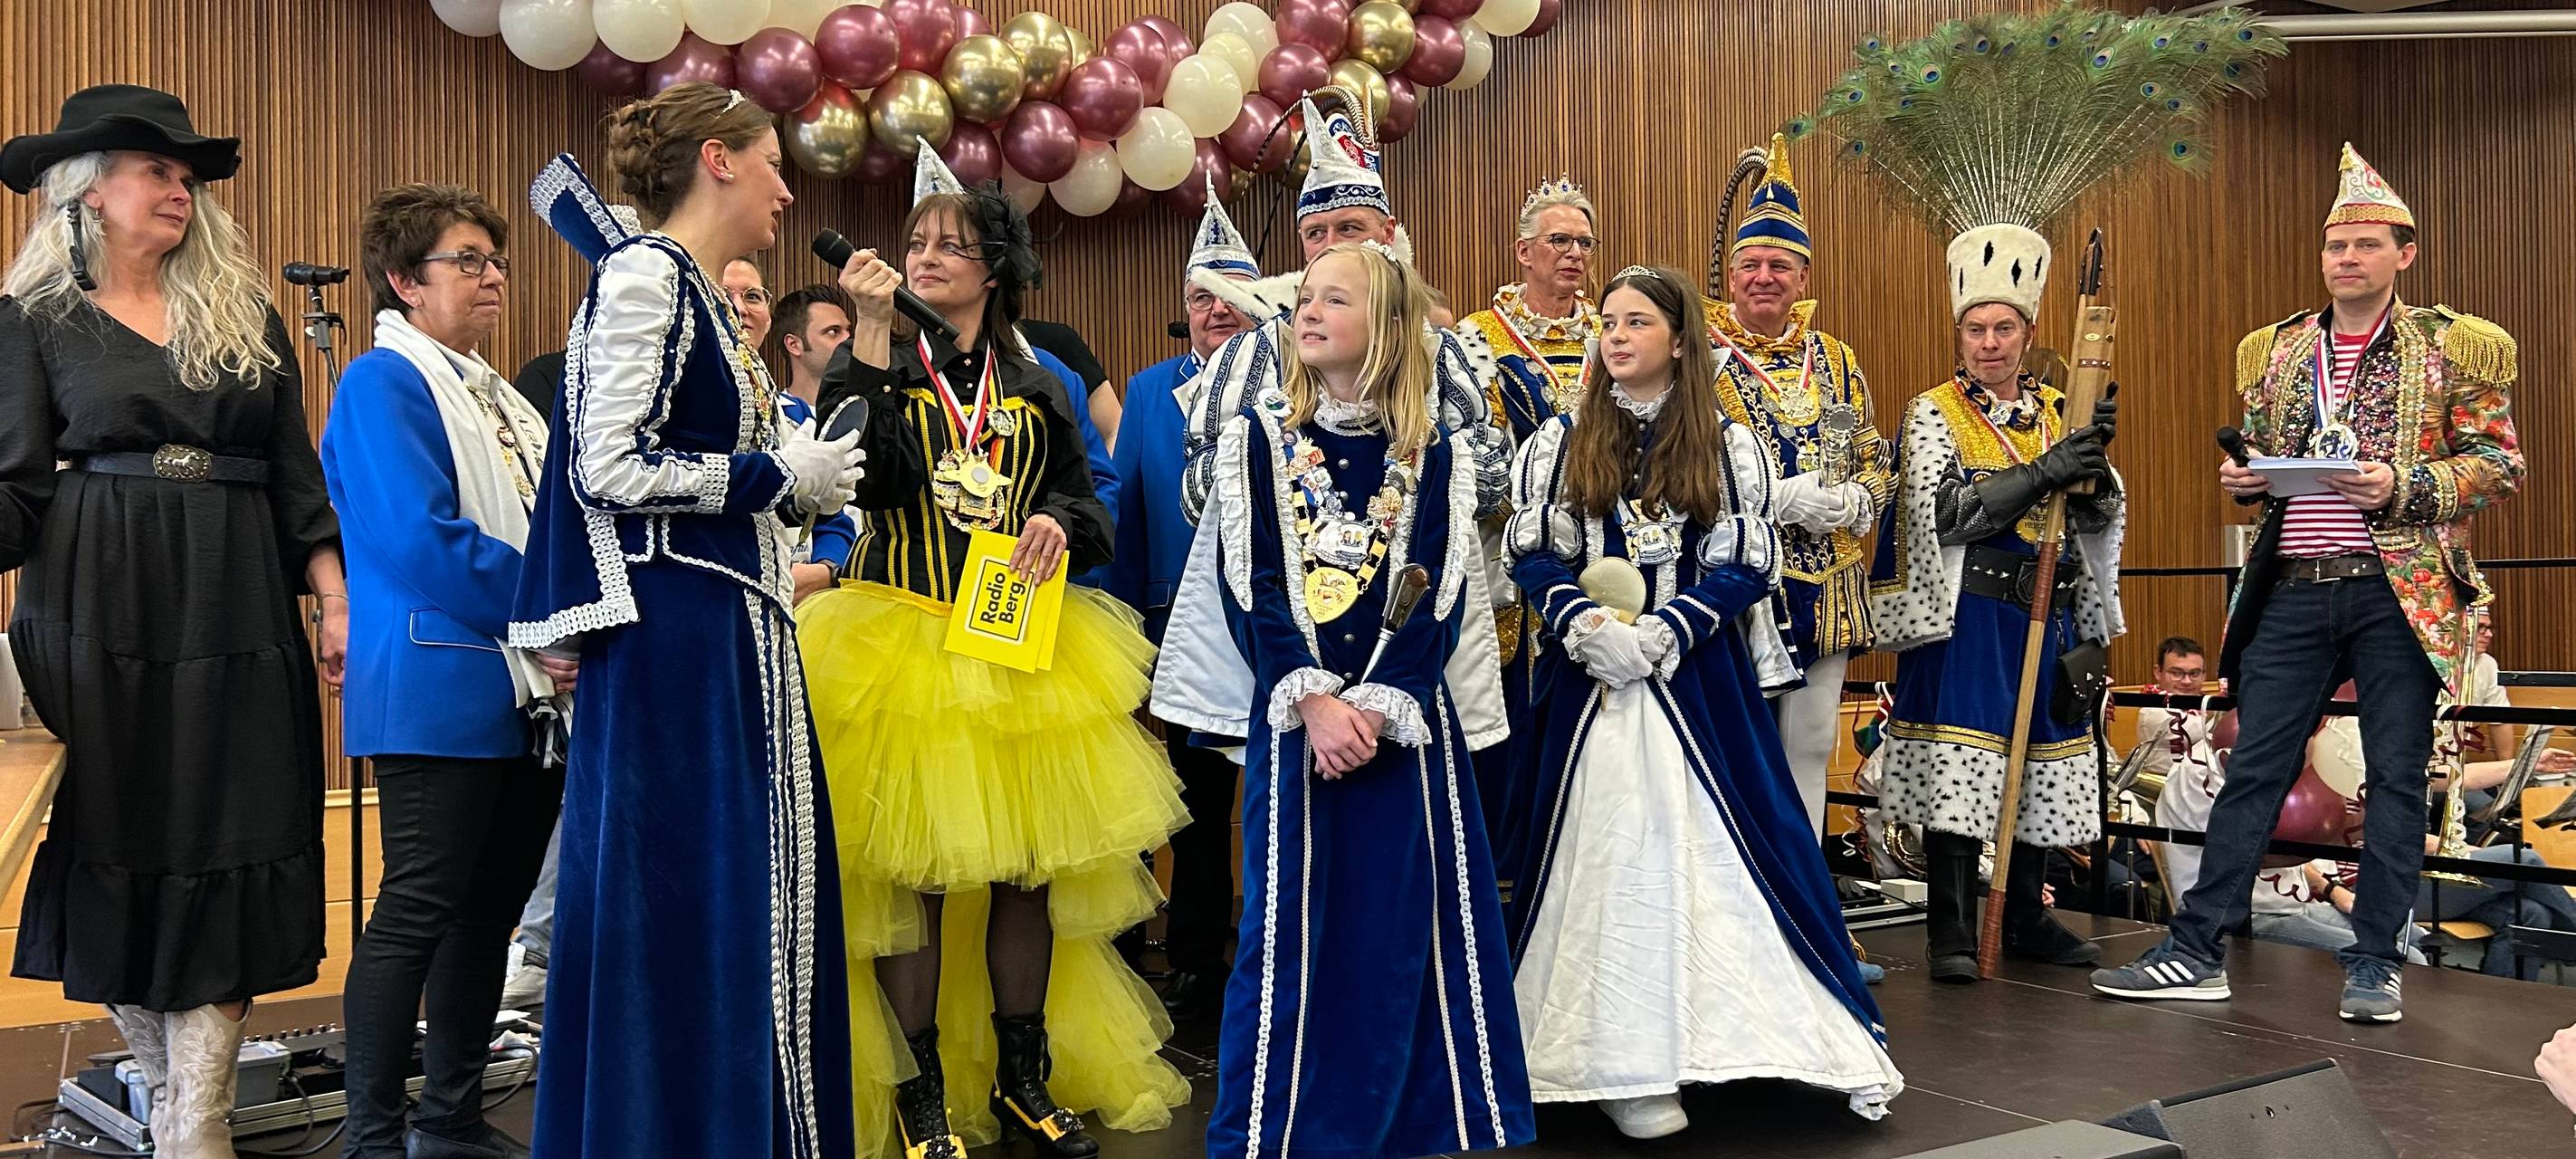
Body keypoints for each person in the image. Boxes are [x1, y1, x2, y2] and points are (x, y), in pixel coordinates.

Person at [797, 147, 1188, 1159]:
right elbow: (852, 478)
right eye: (916, 241)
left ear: (996, 267)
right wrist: (873, 333)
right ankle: (919, 1095)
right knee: (917, 879)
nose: (925, 257)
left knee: (1027, 872)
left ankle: (1022, 1076)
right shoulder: (874, 364)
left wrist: (1061, 522)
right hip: (897, 642)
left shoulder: (1036, 380)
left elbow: (1090, 495)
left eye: (950, 246)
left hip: (1017, 642)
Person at [508, 83, 864, 1157]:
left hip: (730, 633)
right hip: (679, 642)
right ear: (717, 158)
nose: (783, 187)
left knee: (737, 902)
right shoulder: (643, 275)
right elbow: (605, 463)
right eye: (770, 162)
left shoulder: (690, 290)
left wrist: (793, 490)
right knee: (689, 898)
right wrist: (770, 473)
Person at [2093, 144, 2522, 1023]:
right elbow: (2260, 457)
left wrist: (2401, 487)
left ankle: (2374, 962)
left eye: (2365, 245)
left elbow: (2497, 465)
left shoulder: (2451, 347)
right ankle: (2194, 946)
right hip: (2290, 583)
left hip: (2394, 590)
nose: (2346, 259)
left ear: (2402, 253)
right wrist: (2247, 481)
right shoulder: (2280, 349)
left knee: (2396, 779)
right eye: (2335, 247)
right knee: (2248, 765)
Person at [0, 84, 344, 1159]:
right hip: (94, 602)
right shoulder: (31, 321)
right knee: (117, 836)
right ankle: (164, 1092)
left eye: (187, 176)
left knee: (236, 826)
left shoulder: (246, 317)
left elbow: (299, 480)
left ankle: (199, 1116)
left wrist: (334, 597)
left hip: (235, 588)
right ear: (88, 188)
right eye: (156, 169)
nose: (179, 188)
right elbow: (14, 488)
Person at [1503, 265, 1899, 1138]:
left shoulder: (1728, 445)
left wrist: (1672, 629)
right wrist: (1586, 624)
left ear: (1680, 338)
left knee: (1729, 851)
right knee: (1611, 853)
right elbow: (1532, 555)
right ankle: (1615, 1057)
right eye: (1607, 322)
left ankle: (1731, 1038)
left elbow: (1748, 562)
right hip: (1591, 685)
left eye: (1636, 322)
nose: (1614, 335)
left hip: (1697, 683)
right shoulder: (1558, 443)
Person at [1166, 240, 1533, 1159]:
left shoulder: (1438, 455)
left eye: (1336, 298)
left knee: (1403, 923)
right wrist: (1316, 703)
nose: (1310, 310)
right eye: (1307, 298)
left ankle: (1418, 1118)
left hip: (1404, 732)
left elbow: (1442, 595)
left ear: (1387, 326)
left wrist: (1378, 701)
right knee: (1290, 926)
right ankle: (1285, 1127)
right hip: (1299, 728)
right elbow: (1249, 583)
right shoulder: (1256, 439)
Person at [323, 183, 566, 1159]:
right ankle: (373, 1135)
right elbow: (424, 540)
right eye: (466, 259)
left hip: (527, 693)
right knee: (416, 912)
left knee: (488, 915)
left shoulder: (494, 390)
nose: (492, 274)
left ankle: (450, 1118)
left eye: (495, 258)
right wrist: (555, 613)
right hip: (440, 684)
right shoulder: (383, 382)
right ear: (402, 281)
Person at [1869, 214, 2125, 985]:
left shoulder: (2058, 409)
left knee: (2040, 762)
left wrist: (2092, 477)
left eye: (2004, 328)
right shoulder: (1932, 412)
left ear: (2028, 330)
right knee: (1960, 766)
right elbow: (1941, 513)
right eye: (1976, 328)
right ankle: (1951, 926)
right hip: (1966, 615)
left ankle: (2024, 916)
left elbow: (2098, 515)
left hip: (2043, 611)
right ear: (1960, 334)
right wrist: (2046, 473)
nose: (1989, 342)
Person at [1175, 91, 1506, 526]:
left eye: (1348, 228)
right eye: (1315, 233)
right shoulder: (1251, 354)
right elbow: (1197, 495)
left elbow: (1491, 481)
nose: (1329, 246)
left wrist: (1413, 473)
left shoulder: (1435, 351)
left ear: (1388, 233)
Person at [1105, 177, 1258, 1022]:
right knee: (1162, 793)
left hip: (1256, 618)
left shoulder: (1291, 380)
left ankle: (1223, 954)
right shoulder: (1151, 388)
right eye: (1199, 298)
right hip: (1167, 615)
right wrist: (1125, 624)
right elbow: (1125, 506)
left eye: (1229, 296)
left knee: (1228, 797)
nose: (1214, 311)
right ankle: (1156, 952)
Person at [1707, 135, 1889, 838]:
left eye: (1779, 265)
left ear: (1804, 278)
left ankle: (1808, 901)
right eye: (1750, 264)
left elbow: (1874, 454)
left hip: (1831, 578)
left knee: (1812, 743)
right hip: (1743, 576)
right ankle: (1746, 905)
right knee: (1740, 744)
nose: (1763, 276)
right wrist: (1776, 498)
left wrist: (1860, 499)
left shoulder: (1838, 358)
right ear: (1729, 274)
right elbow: (1682, 465)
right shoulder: (1703, 356)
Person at [1450, 175, 1599, 876]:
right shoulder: (1476, 338)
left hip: (1599, 546)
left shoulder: (1610, 331)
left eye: (1584, 243)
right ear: (1523, 251)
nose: (1573, 254)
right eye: (1559, 241)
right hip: (1505, 547)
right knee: (1508, 714)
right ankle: (1500, 878)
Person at [2132, 637, 2224, 897]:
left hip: (2202, 800)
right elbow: (2196, 732)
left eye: (2194, 674)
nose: (2186, 681)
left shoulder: (2202, 707)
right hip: (2158, 801)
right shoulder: (2153, 708)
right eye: (2176, 673)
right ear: (2158, 672)